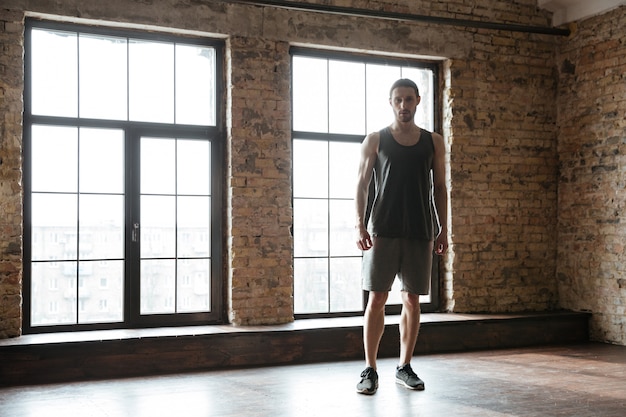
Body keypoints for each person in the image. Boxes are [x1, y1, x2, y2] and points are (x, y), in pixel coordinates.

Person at [354, 78, 448, 395]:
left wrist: (443, 228)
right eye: (398, 100)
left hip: (421, 229)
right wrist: (359, 224)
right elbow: (362, 185)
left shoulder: (433, 141)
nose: (404, 105)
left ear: (417, 101)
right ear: (391, 102)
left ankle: (404, 366)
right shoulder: (376, 140)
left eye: (409, 99)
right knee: (377, 297)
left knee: (411, 299)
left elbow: (440, 188)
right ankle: (370, 368)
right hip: (382, 228)